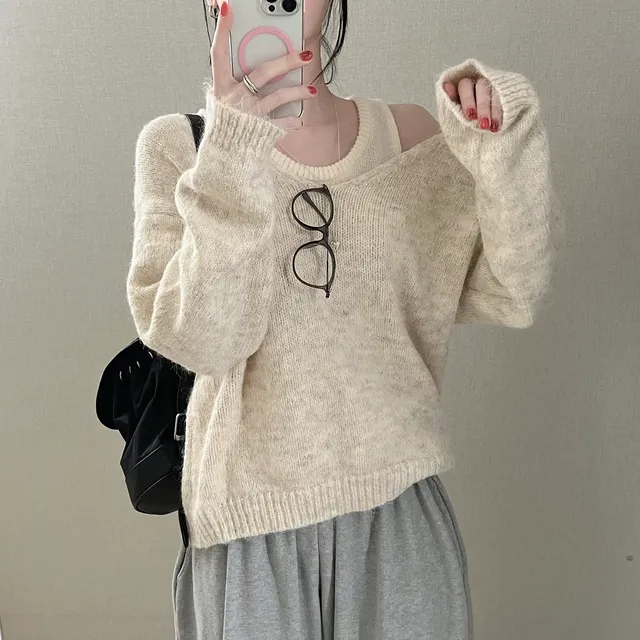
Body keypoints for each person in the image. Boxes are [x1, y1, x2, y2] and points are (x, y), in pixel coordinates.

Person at [126, 0, 562, 638]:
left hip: (397, 520)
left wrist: (502, 145)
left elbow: (511, 291)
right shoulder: (177, 149)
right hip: (250, 537)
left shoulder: (409, 138)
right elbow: (205, 342)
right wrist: (233, 146)